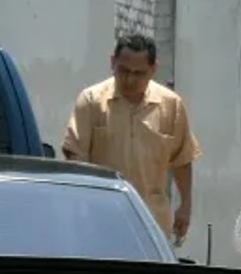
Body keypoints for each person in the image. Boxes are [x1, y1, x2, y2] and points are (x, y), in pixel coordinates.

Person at [61, 33, 202, 245]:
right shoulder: (91, 102)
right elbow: (76, 159)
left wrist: (185, 206)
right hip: (100, 222)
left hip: (151, 223)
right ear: (112, 63)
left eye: (139, 73)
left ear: (153, 69)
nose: (130, 79)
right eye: (123, 71)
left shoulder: (171, 106)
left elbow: (182, 159)